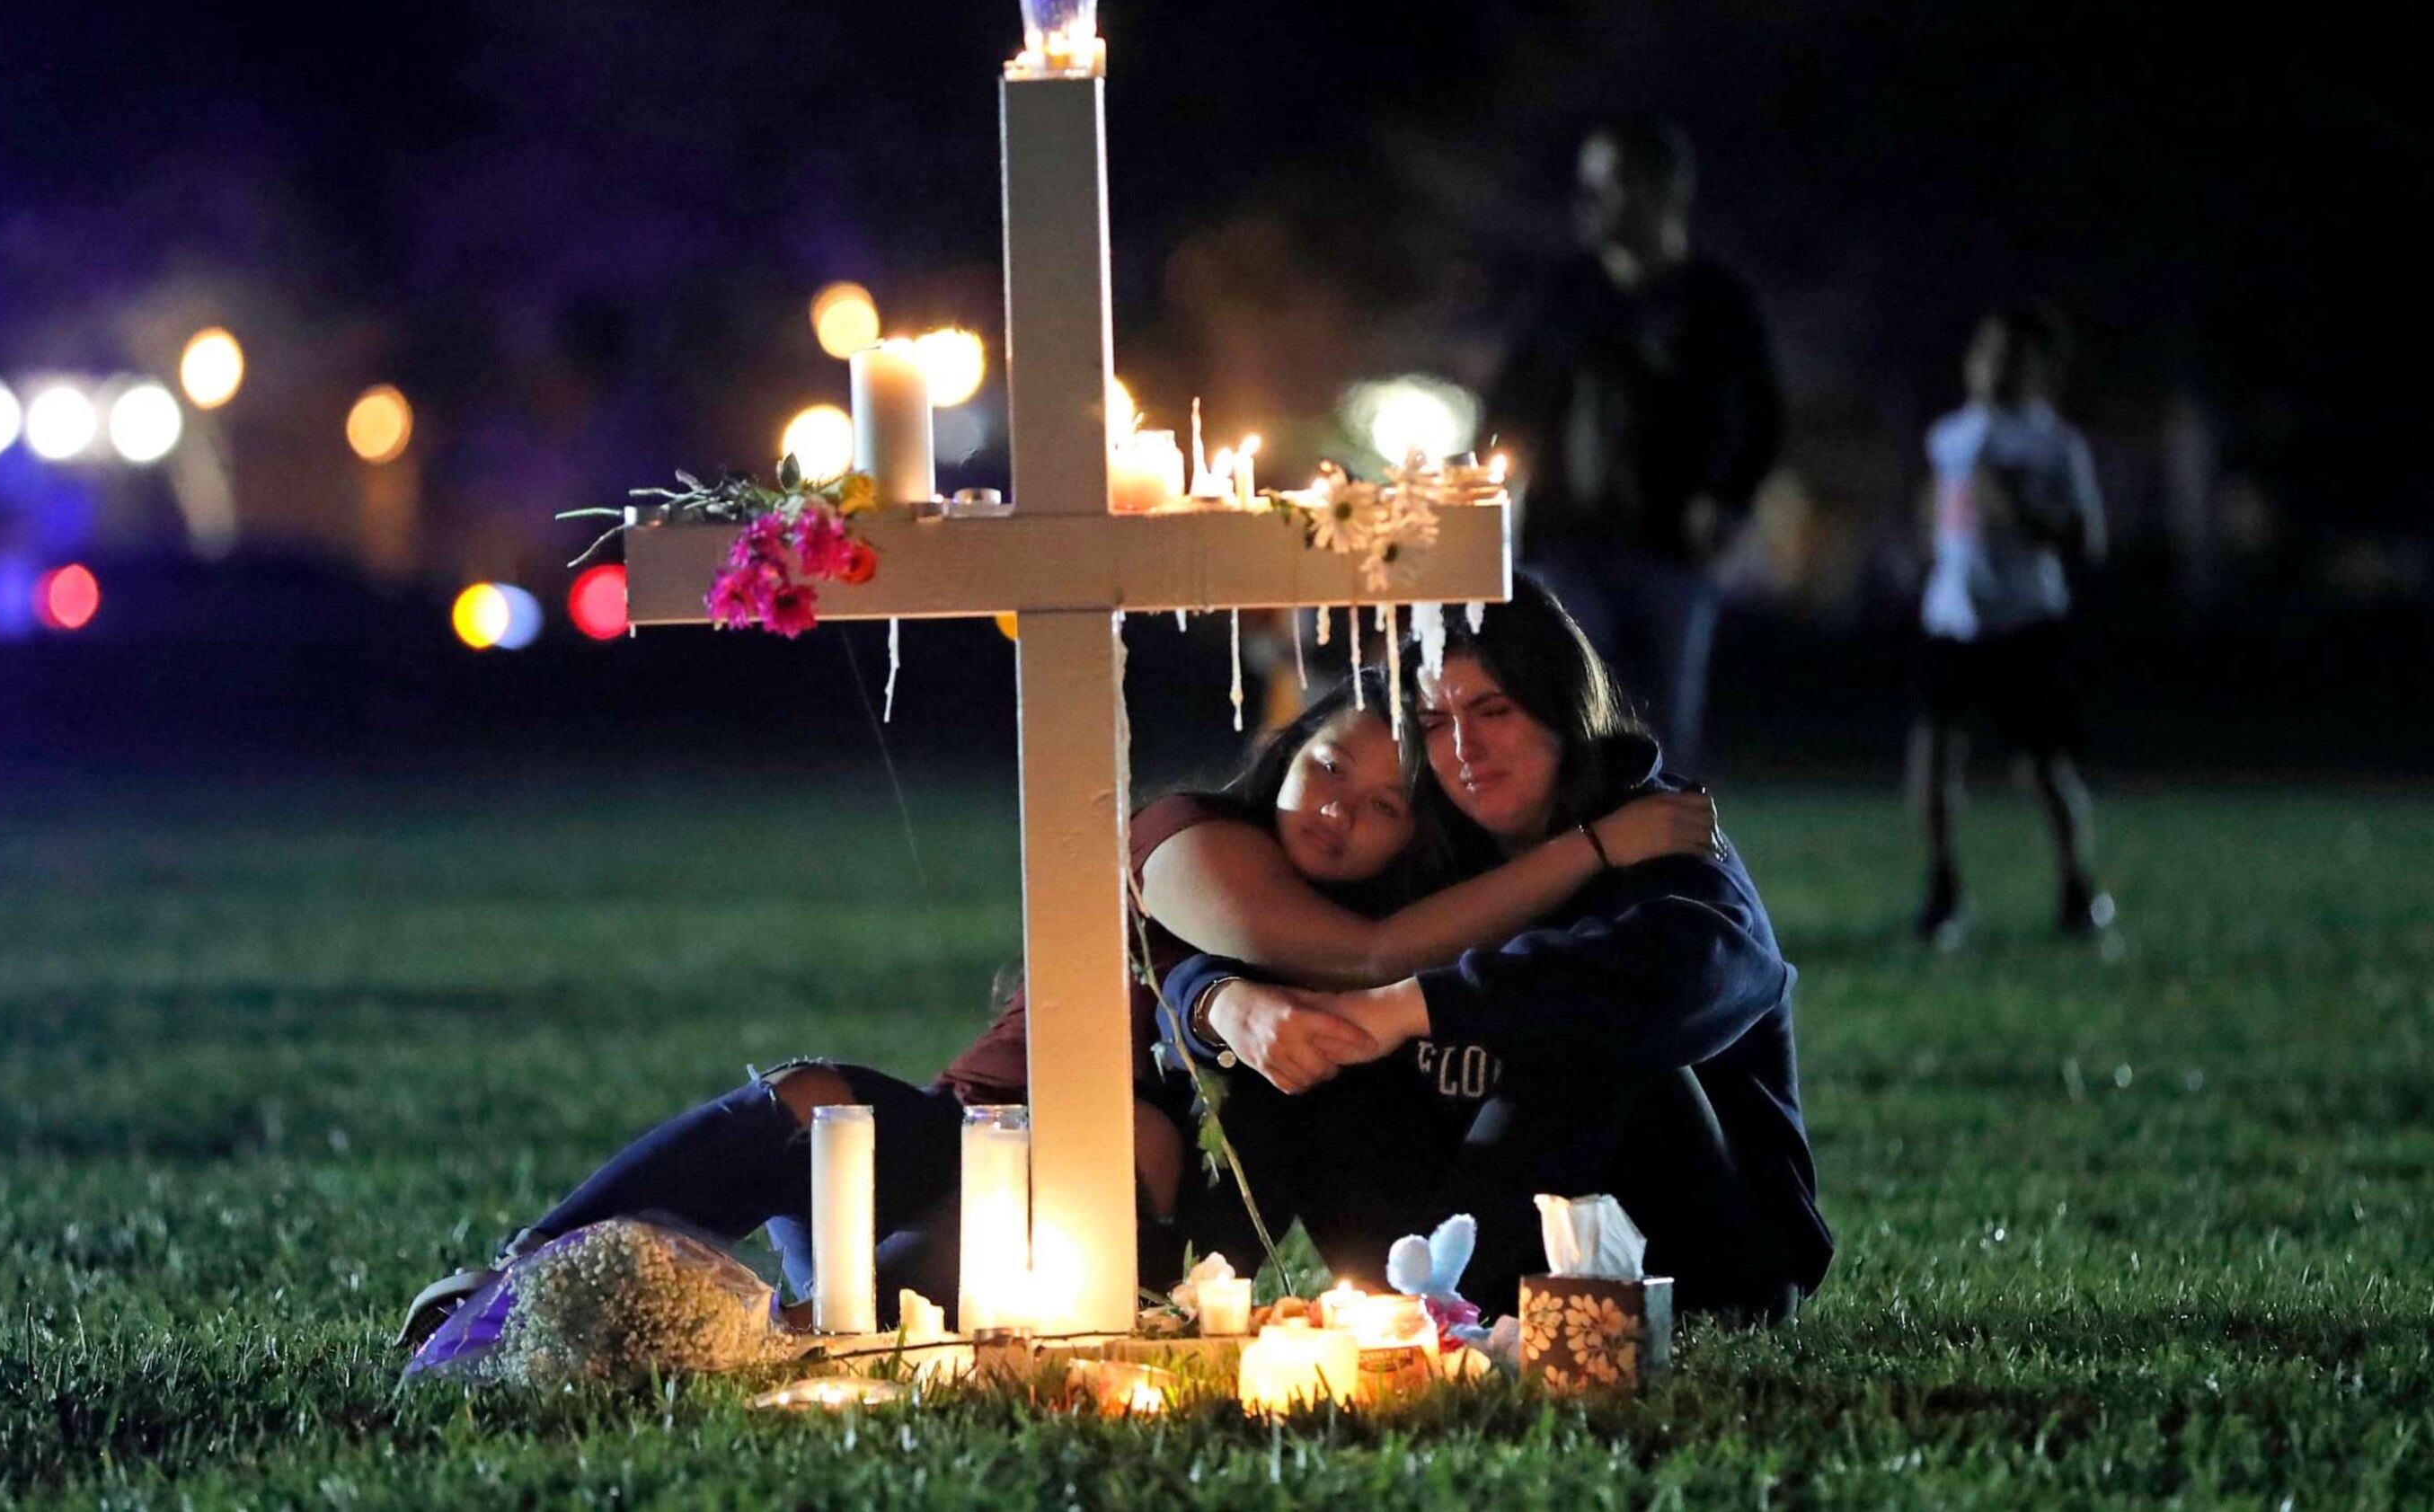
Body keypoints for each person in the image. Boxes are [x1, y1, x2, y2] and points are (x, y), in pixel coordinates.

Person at [394, 668, 1716, 1346]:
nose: (1340, 811)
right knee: (813, 1100)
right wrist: (1592, 852)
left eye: (1384, 809)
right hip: (946, 1149)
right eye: (1326, 769)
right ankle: (504, 1283)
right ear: (1282, 755)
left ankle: (710, 1334)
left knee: (855, 1341)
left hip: (1097, 1244)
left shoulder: (1377, 960)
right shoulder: (1192, 837)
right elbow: (1349, 948)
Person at [1160, 588, 1832, 1322]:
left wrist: (1410, 1006)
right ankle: (1182, 1303)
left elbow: (1698, 969)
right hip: (1458, 1233)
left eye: (1493, 711)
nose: (1464, 750)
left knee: (1586, 1036)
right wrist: (1220, 1000)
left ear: (1559, 704)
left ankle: (1444, 1317)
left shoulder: (1654, 825)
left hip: (1693, 1256)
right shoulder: (1429, 837)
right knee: (1285, 1031)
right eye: (1436, 722)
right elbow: (1284, 943)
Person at [1483, 119, 1783, 775]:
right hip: (1565, 543)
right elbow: (1509, 400)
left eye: (1610, 183)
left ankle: (1668, 866)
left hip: (1671, 550)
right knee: (1570, 710)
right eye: (1587, 183)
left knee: (1666, 726)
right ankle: (1578, 862)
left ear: (1664, 191)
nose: (1590, 200)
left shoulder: (1715, 301)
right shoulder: (1565, 294)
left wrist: (1726, 500)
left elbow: (1761, 414)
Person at [1911, 302, 2112, 947]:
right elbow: (1940, 517)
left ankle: (2077, 890)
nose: (1993, 366)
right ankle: (1943, 892)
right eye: (1986, 351)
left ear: (2038, 369)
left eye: (2010, 355)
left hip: (2026, 621)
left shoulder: (2057, 444)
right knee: (1936, 757)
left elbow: (2089, 539)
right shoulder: (1949, 436)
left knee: (2044, 765)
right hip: (1952, 620)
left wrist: (2019, 509)